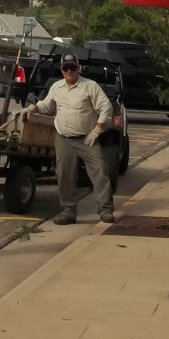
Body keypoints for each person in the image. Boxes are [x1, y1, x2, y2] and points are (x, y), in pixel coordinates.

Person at [17, 53, 114, 225]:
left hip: (87, 138)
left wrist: (98, 129)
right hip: (63, 138)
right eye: (66, 68)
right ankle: (68, 211)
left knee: (99, 170)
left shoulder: (90, 86)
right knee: (64, 174)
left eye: (73, 67)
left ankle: (105, 210)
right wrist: (32, 108)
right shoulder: (57, 87)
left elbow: (106, 107)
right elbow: (47, 105)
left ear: (79, 68)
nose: (69, 70)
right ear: (62, 70)